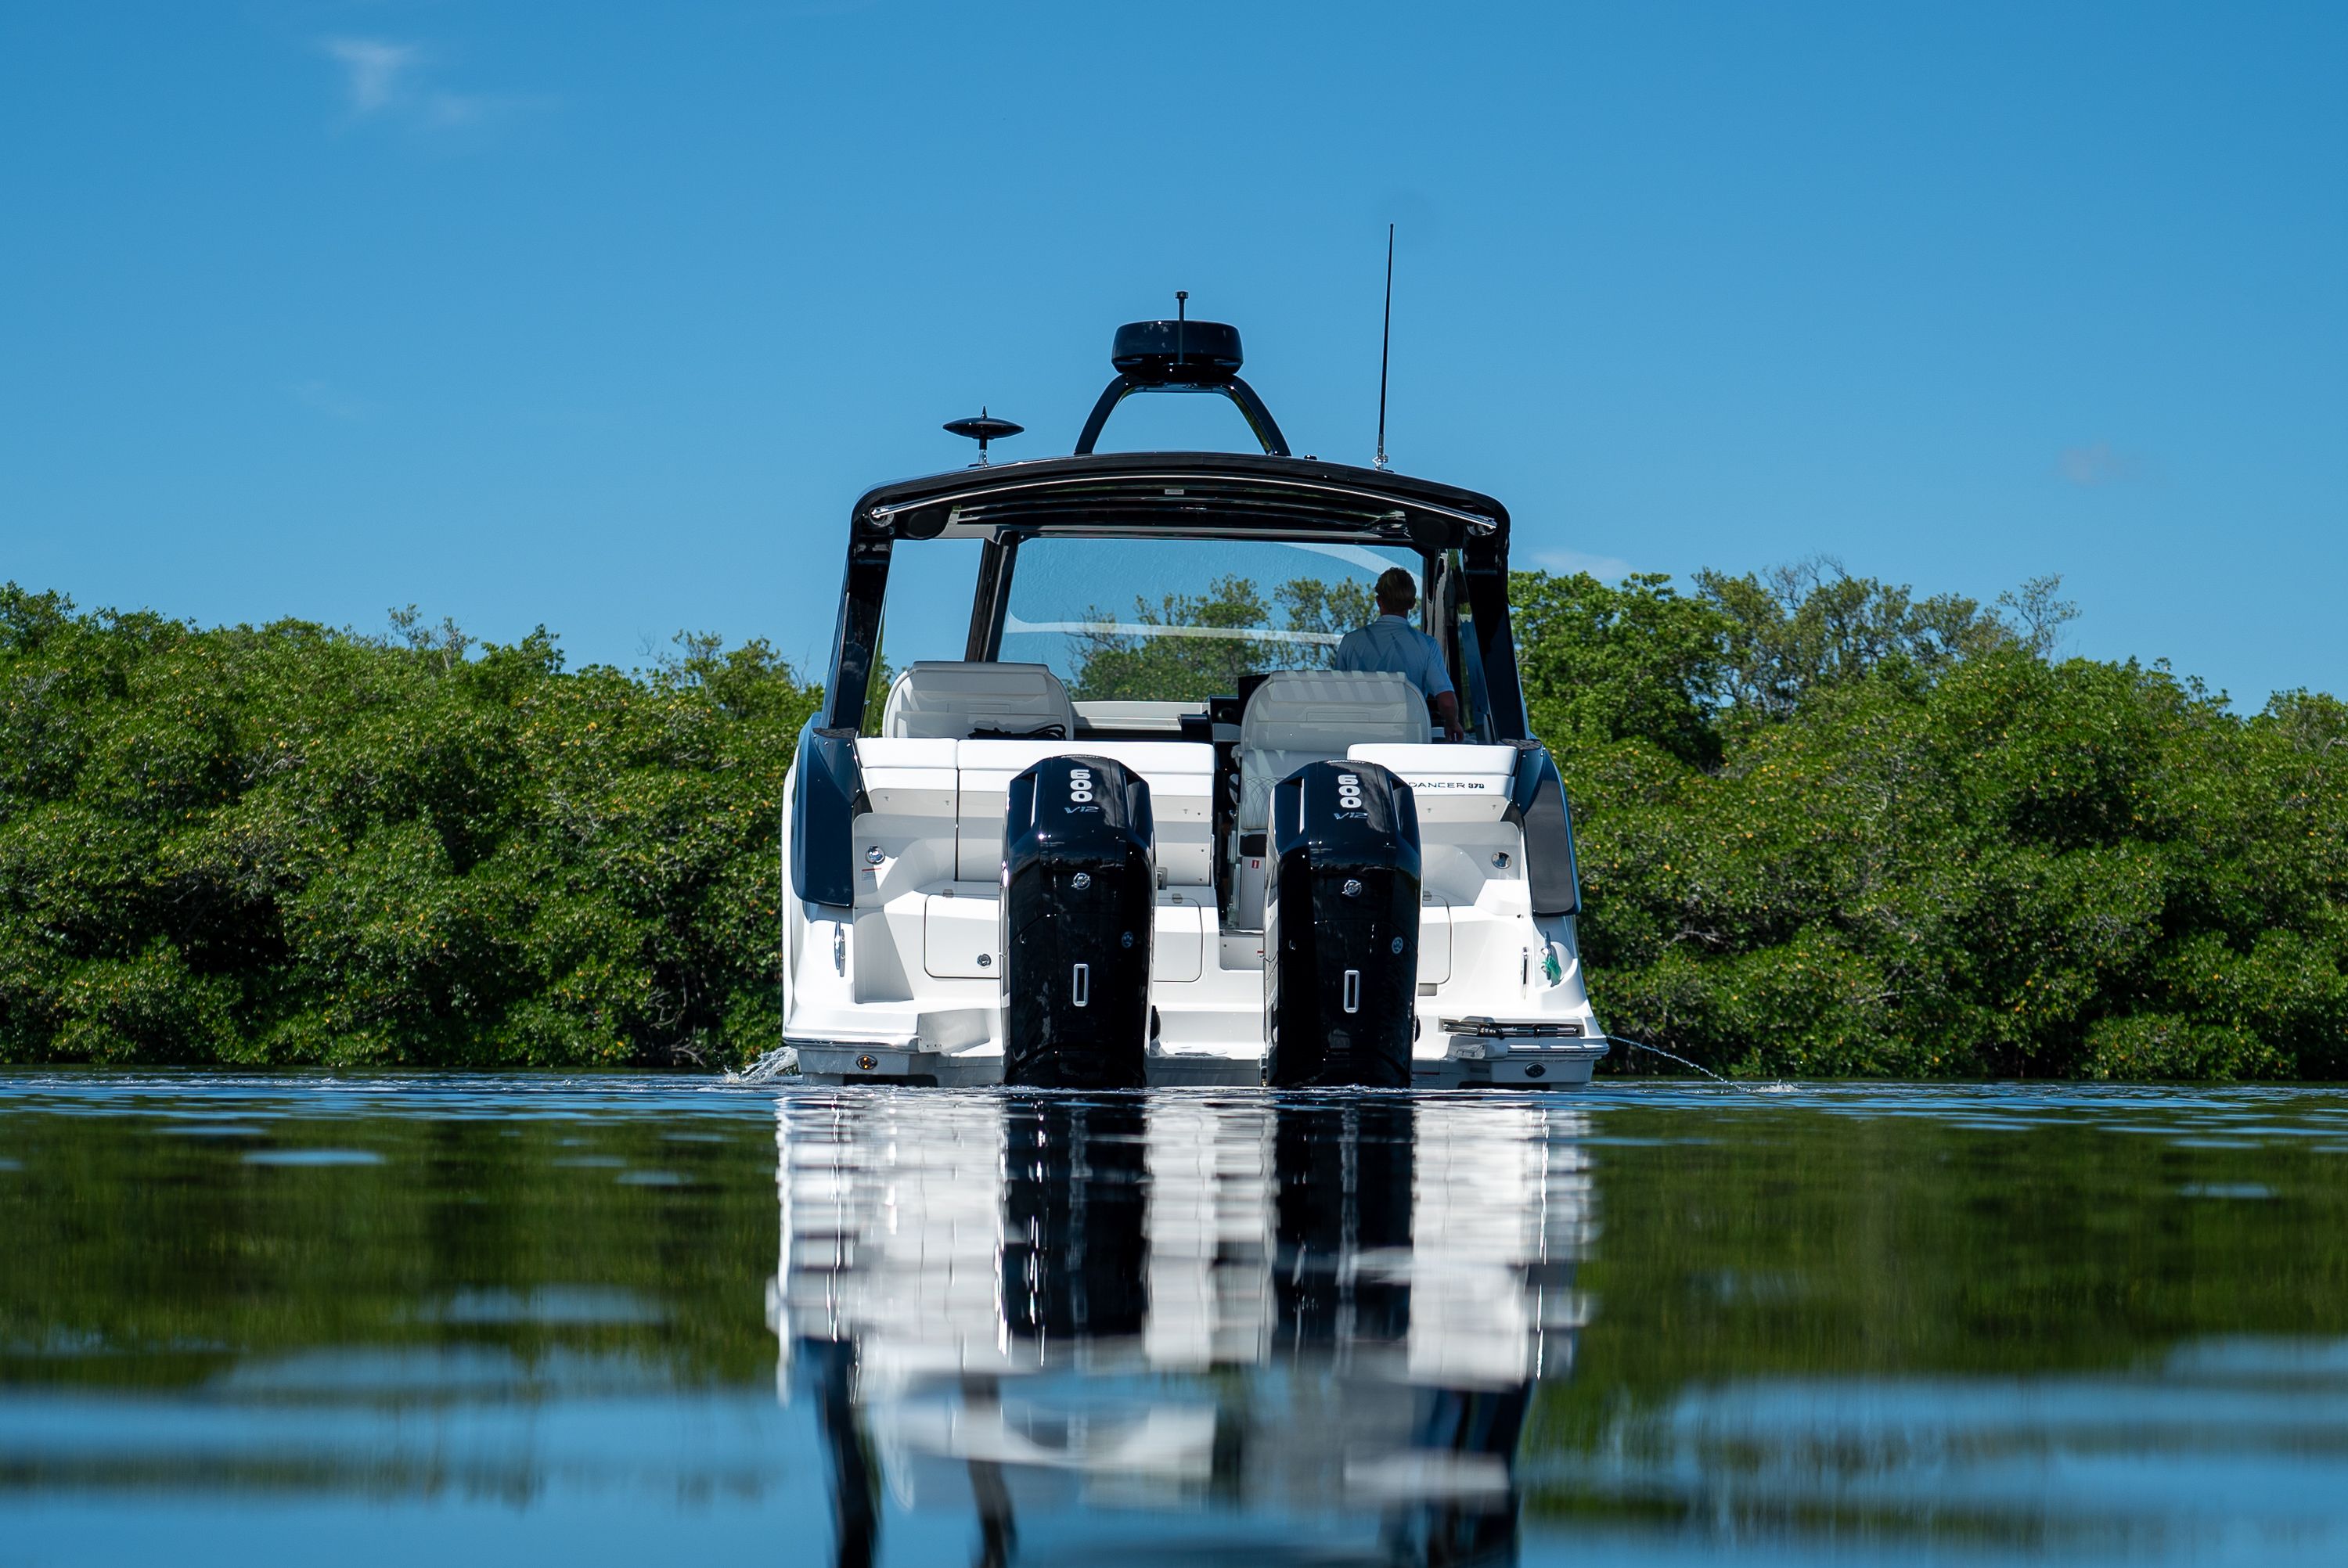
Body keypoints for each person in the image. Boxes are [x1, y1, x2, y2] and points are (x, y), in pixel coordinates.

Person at [1334, 567, 1465, 741]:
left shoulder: (1350, 641)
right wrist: (1452, 723)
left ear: (1379, 601)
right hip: (1407, 739)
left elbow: (1336, 693)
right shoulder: (1427, 645)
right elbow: (1447, 701)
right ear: (1412, 603)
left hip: (1358, 738)